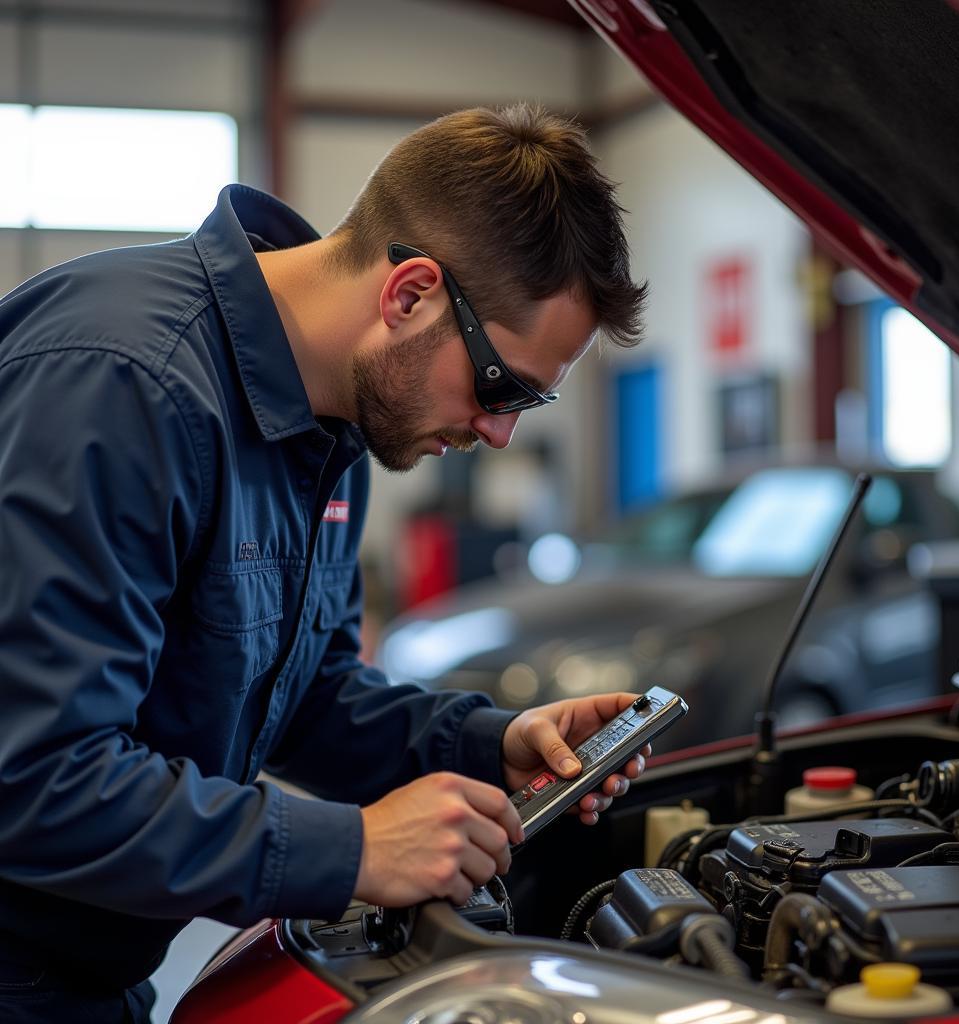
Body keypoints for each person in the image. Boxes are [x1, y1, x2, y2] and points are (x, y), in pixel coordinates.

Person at [0, 104, 648, 1022]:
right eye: (502, 387)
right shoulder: (121, 384)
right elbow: (31, 773)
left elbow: (297, 696)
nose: (500, 433)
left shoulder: (332, 430)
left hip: (91, 962)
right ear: (410, 293)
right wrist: (350, 850)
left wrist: (490, 745)